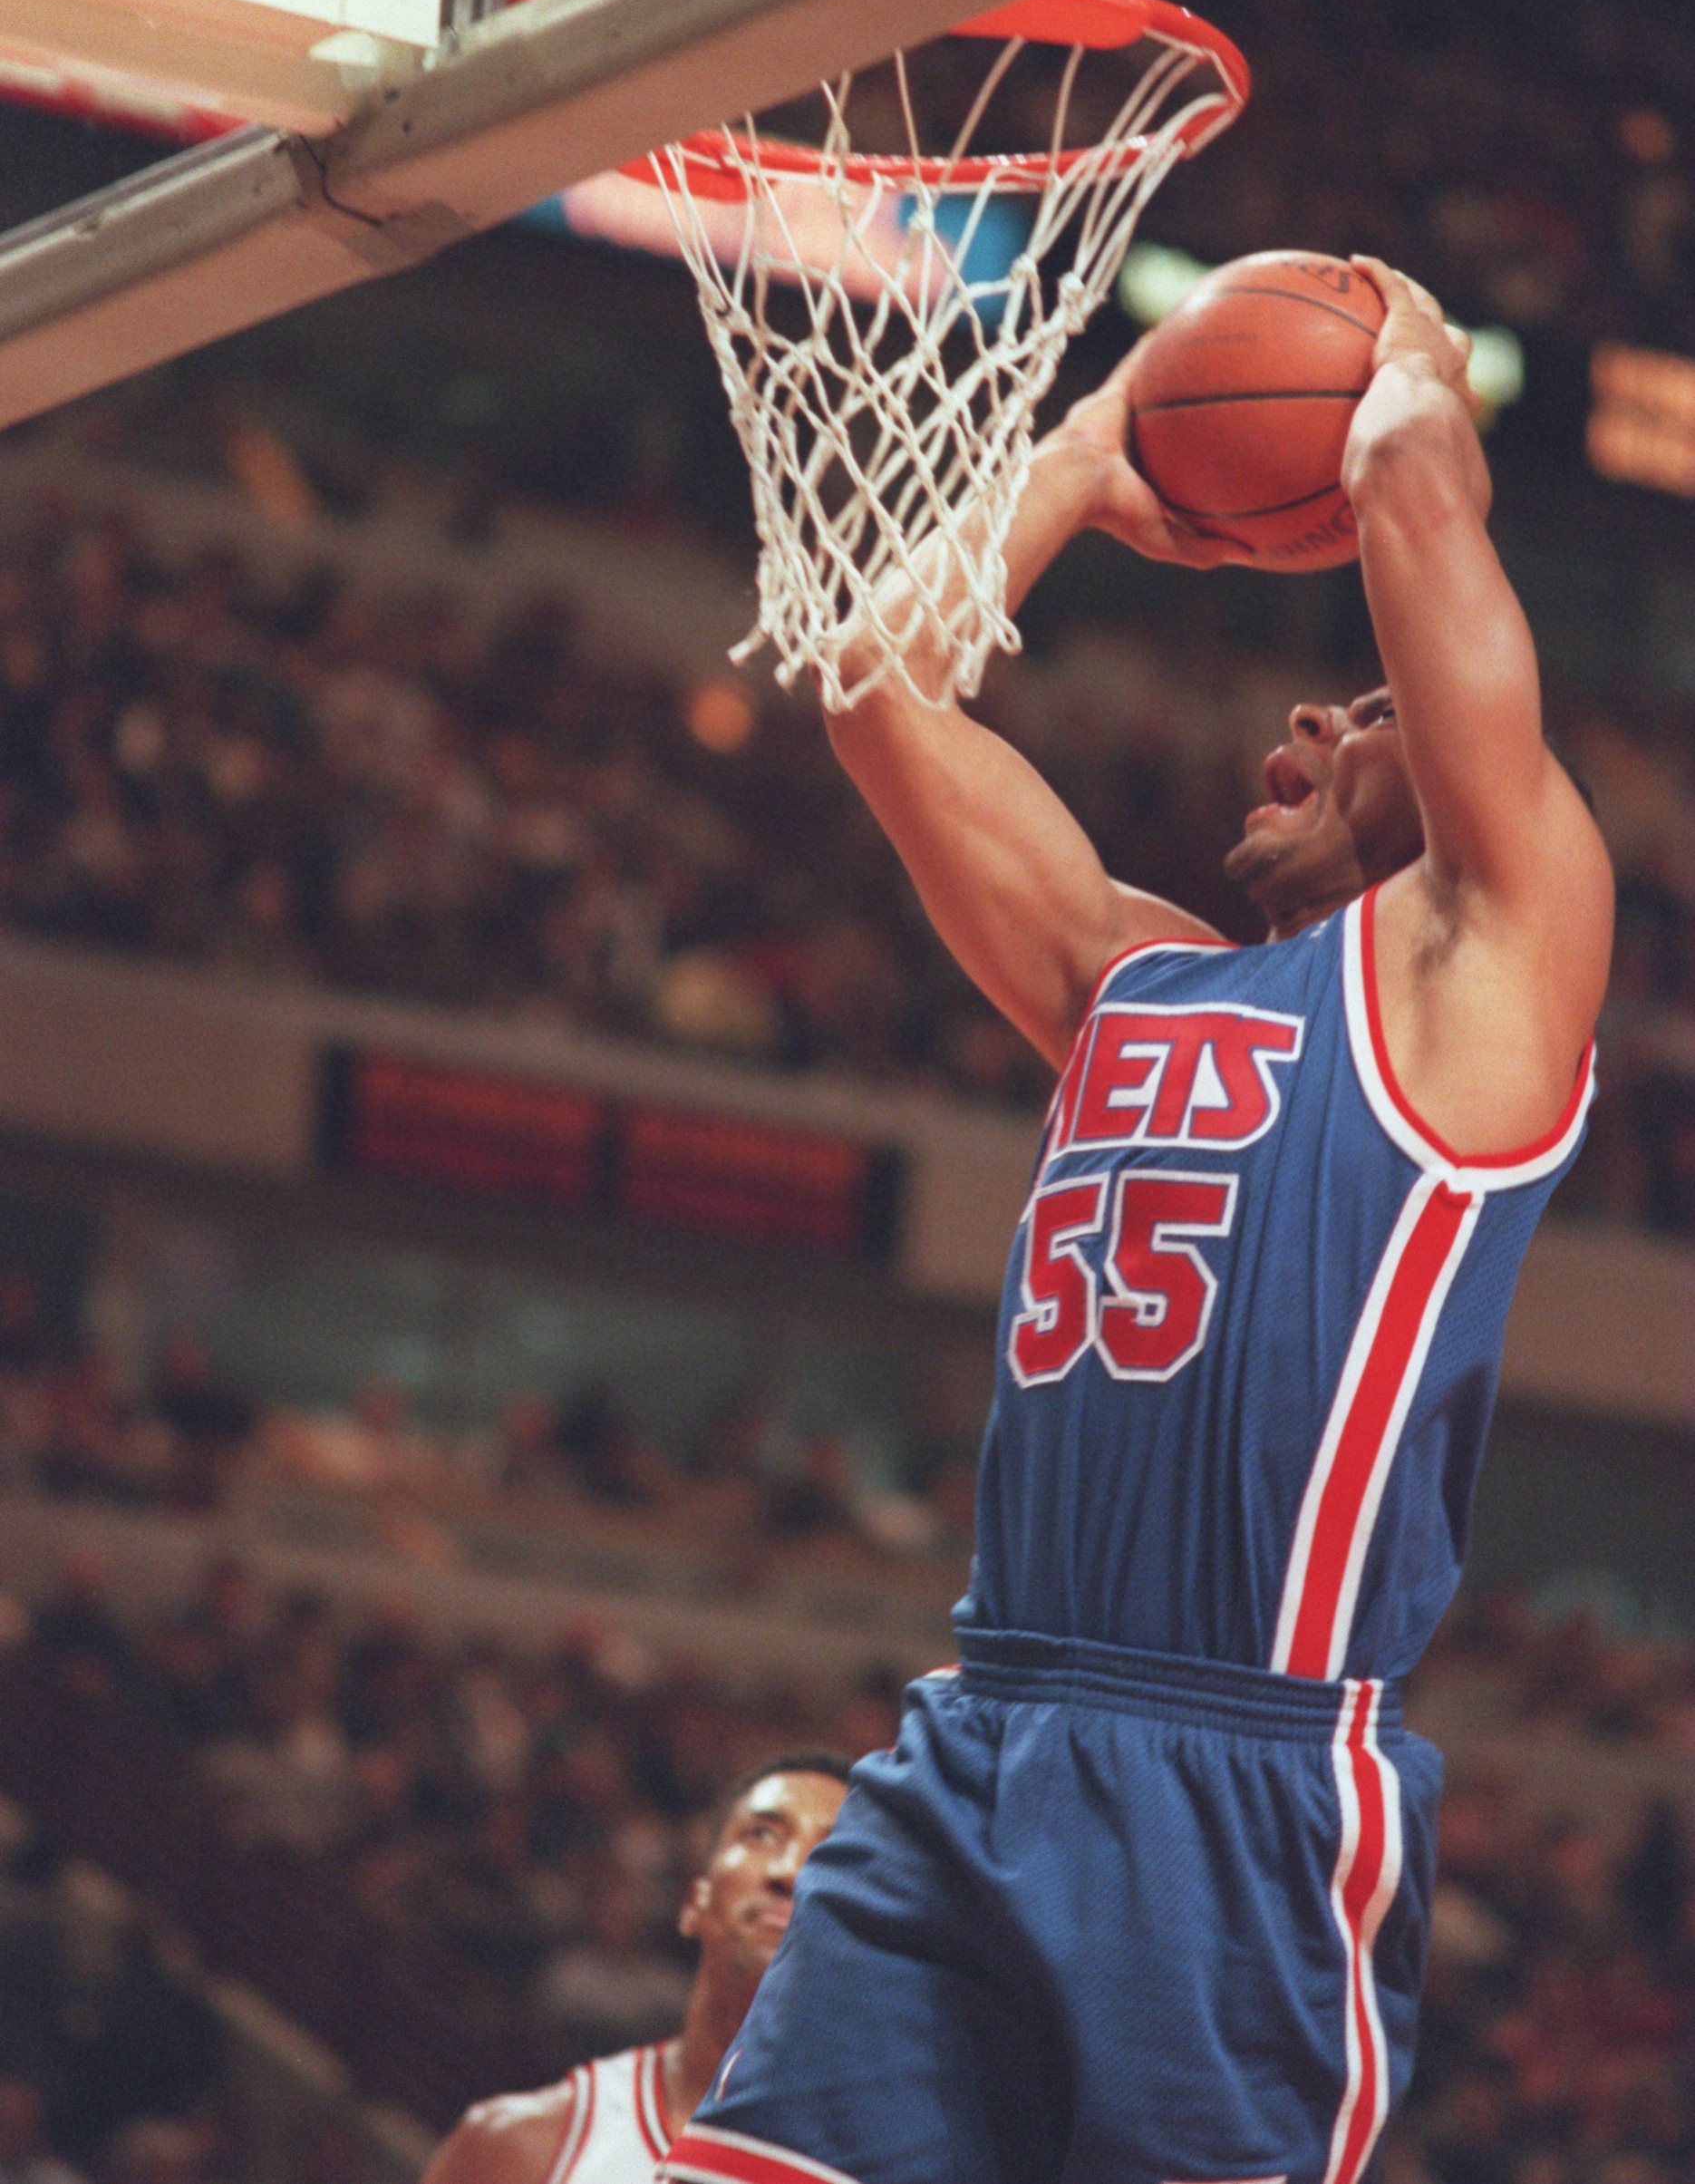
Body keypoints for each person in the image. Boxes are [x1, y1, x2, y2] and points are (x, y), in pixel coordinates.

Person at [661, 263, 1613, 2184]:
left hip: (1240, 1781)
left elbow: (1418, 496)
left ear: (1447, 773)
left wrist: (1391, 343)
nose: (1298, 712)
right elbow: (872, 681)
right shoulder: (1130, 982)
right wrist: (1093, 456)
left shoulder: (1485, 967)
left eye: (1355, 712)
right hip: (980, 1731)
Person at [424, 1758, 850, 2184]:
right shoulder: (519, 2146)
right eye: (762, 1834)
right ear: (693, 1902)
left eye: (831, 1852)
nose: (790, 1871)